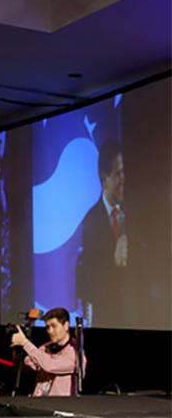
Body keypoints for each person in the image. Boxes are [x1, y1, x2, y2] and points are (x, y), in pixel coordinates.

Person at [78, 140, 129, 326]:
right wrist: (114, 262)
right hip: (108, 320)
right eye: (117, 174)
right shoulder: (92, 221)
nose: (123, 178)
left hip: (136, 315)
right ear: (104, 178)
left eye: (124, 172)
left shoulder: (132, 213)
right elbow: (90, 278)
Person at [11, 307, 86, 397]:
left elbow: (50, 365)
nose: (50, 331)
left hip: (60, 406)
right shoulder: (47, 346)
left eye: (54, 326)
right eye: (47, 327)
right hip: (38, 401)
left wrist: (25, 343)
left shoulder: (75, 352)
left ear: (66, 326)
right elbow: (29, 361)